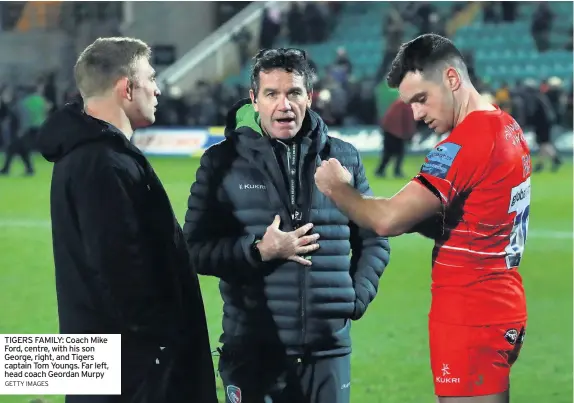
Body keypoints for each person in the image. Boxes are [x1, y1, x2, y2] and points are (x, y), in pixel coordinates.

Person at [314, 34, 529, 403]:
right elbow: (468, 219)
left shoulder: (468, 141)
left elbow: (388, 220)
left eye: (421, 99)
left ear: (451, 78)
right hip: (499, 301)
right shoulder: (505, 125)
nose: (416, 114)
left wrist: (338, 188)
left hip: (470, 313)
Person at [183, 48, 390, 403]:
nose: (284, 104)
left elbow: (373, 237)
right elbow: (194, 250)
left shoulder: (344, 158)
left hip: (327, 353)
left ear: (309, 96)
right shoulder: (221, 162)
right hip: (253, 350)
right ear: (254, 99)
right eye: (272, 93)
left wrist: (355, 297)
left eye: (294, 92)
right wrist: (259, 251)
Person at [36, 37, 217, 403]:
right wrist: (163, 342)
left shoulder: (95, 156)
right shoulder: (102, 163)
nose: (157, 89)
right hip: (133, 375)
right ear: (127, 88)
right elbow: (121, 271)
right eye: (151, 78)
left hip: (119, 368)